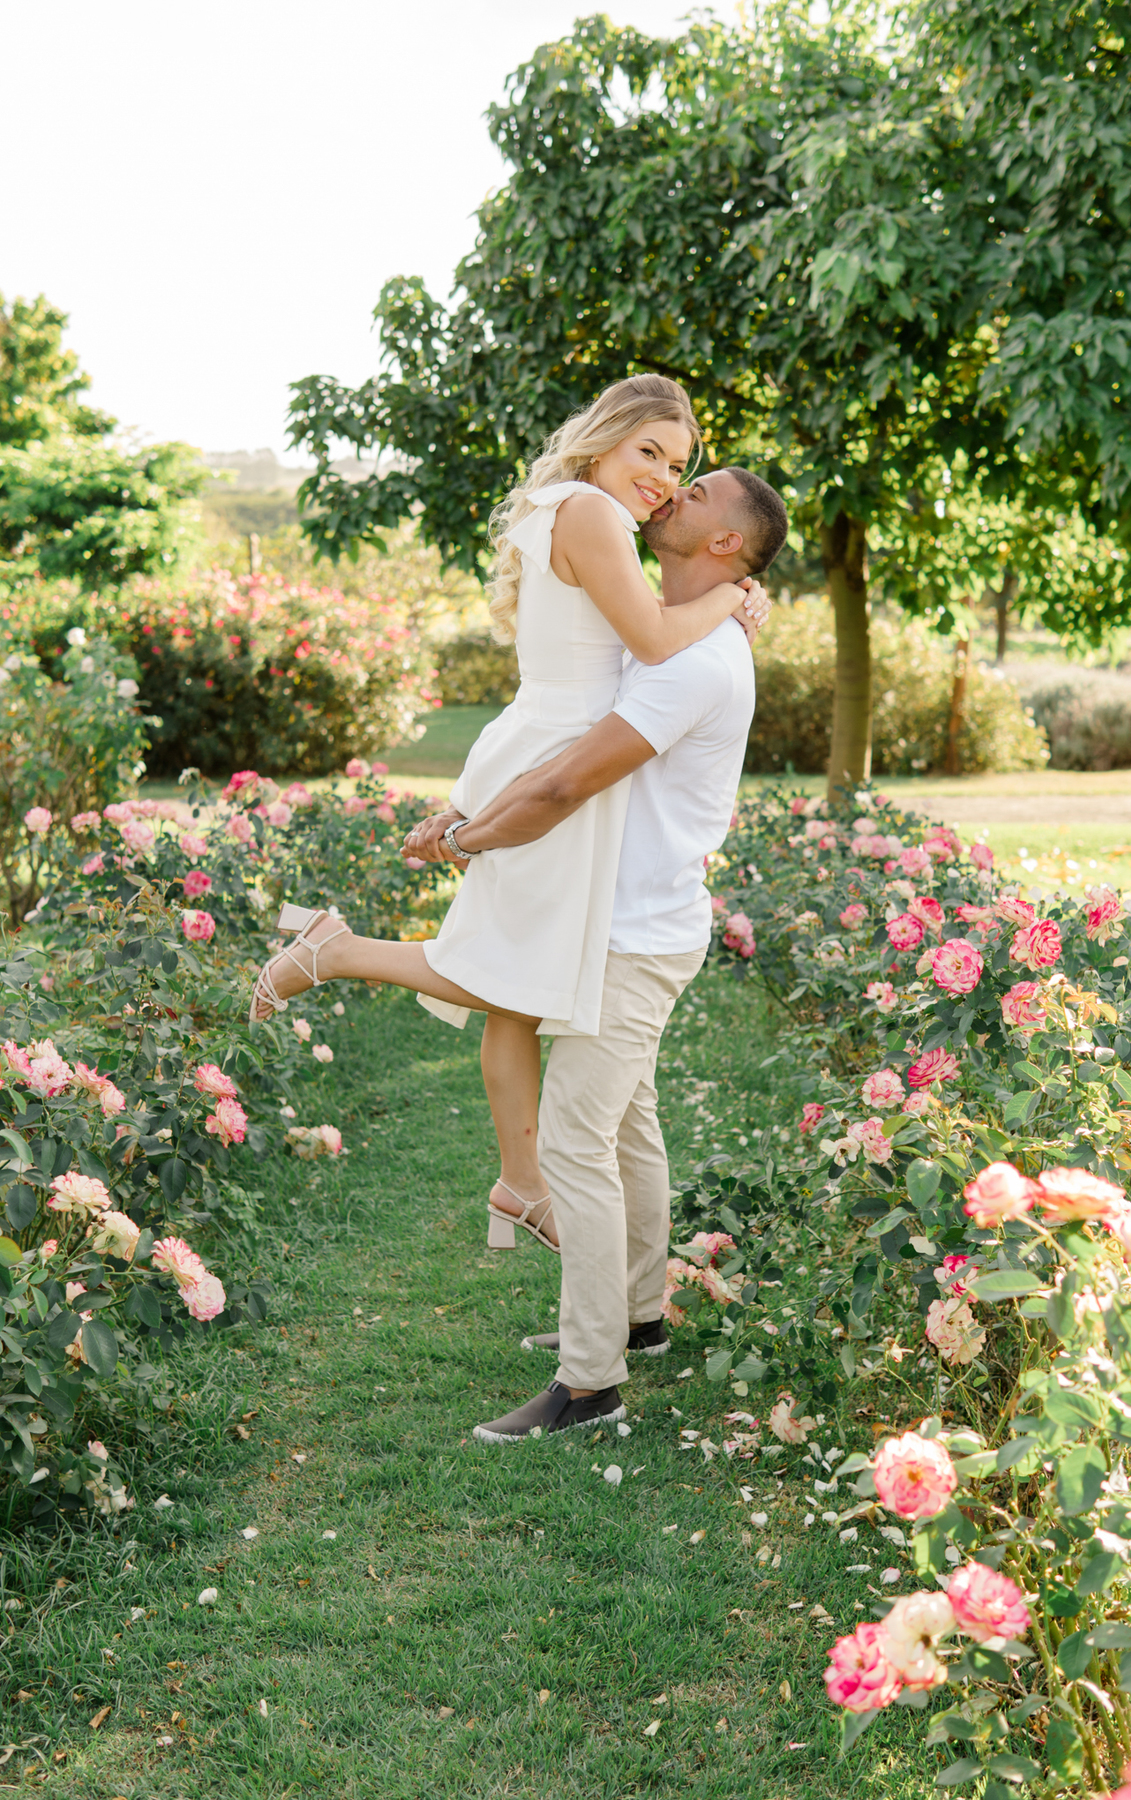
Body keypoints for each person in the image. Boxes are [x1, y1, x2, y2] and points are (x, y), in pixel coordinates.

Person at [249, 376, 770, 1255]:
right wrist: (731, 598)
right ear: (604, 438)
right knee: (508, 974)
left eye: (679, 465)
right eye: (649, 452)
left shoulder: (563, 505)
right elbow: (649, 639)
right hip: (560, 754)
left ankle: (519, 1184)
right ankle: (334, 951)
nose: (664, 480)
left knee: (518, 1003)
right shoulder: (594, 514)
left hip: (543, 735)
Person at [405, 464, 789, 1440]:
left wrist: (469, 839)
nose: (673, 493)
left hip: (634, 938)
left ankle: (589, 1383)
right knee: (626, 1129)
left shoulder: (693, 663)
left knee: (576, 1144)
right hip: (632, 926)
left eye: (697, 491)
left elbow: (570, 779)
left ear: (727, 546)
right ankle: (639, 1318)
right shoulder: (670, 636)